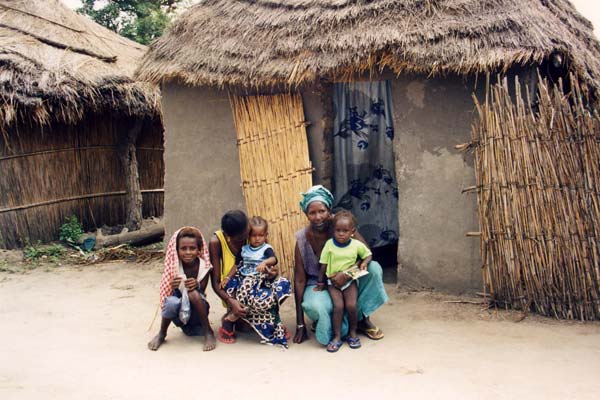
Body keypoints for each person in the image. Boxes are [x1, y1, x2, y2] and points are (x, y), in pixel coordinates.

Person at [294, 185, 388, 347]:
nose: (318, 217)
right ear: (306, 215)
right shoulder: (302, 239)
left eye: (322, 211)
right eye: (312, 213)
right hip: (319, 284)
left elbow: (366, 253)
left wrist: (347, 273)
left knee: (374, 269)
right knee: (315, 305)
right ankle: (328, 322)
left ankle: (362, 318)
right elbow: (300, 280)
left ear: (329, 210)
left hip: (349, 278)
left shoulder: (342, 226)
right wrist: (300, 324)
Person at [209, 210, 290, 346]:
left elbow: (272, 265)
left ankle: (242, 319)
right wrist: (230, 301)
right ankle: (238, 317)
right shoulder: (216, 242)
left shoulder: (254, 233)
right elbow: (216, 283)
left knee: (281, 286)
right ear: (229, 236)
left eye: (249, 231)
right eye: (245, 235)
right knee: (247, 298)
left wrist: (271, 274)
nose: (251, 236)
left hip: (256, 287)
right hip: (232, 291)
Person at [148, 227, 216, 351]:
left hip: (197, 313)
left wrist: (197, 284)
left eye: (192, 248)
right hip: (179, 315)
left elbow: (203, 291)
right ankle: (162, 333)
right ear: (177, 250)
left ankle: (208, 332)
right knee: (171, 302)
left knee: (193, 294)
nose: (188, 252)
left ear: (199, 250)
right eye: (183, 249)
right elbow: (169, 294)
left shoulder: (203, 267)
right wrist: (174, 286)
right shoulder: (174, 267)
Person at [315, 210, 372, 352]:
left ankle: (353, 333)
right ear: (333, 230)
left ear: (352, 231)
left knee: (352, 305)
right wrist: (321, 282)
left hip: (350, 280)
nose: (341, 234)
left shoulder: (356, 245)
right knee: (338, 307)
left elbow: (368, 254)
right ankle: (337, 336)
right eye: (338, 230)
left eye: (345, 231)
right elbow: (323, 264)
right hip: (332, 282)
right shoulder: (329, 244)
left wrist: (364, 262)